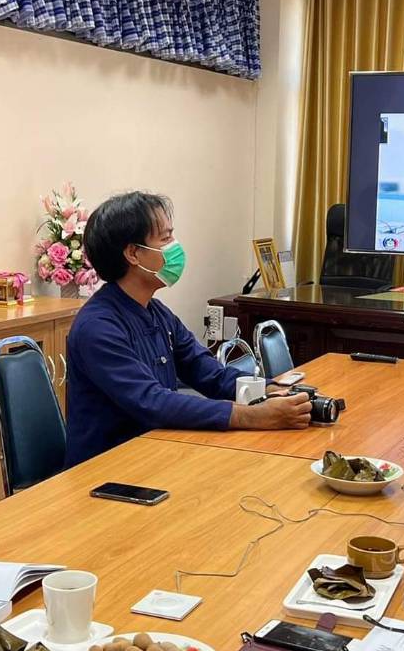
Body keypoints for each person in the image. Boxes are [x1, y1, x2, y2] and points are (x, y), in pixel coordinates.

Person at [65, 192, 311, 466]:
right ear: (133, 253)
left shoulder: (157, 312)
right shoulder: (97, 328)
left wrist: (272, 391)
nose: (175, 247)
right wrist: (254, 416)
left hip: (156, 453)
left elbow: (208, 372)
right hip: (107, 471)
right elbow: (153, 402)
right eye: (166, 238)